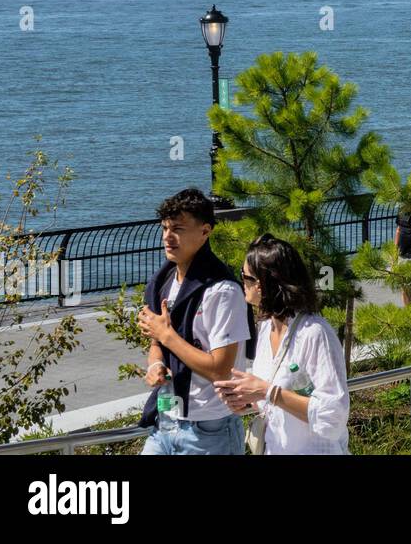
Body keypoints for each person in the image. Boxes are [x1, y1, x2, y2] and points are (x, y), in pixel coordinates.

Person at [137, 188, 255, 455]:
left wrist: (167, 336)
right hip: (165, 420)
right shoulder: (163, 282)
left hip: (209, 430)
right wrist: (155, 363)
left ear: (205, 231)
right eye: (165, 228)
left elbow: (219, 370)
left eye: (177, 228)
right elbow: (157, 342)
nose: (168, 236)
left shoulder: (222, 290)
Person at [214, 233, 350, 454]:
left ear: (263, 284)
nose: (242, 283)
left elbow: (333, 416)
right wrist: (246, 400)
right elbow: (270, 397)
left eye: (245, 277)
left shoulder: (314, 333)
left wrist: (267, 392)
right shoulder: (268, 327)